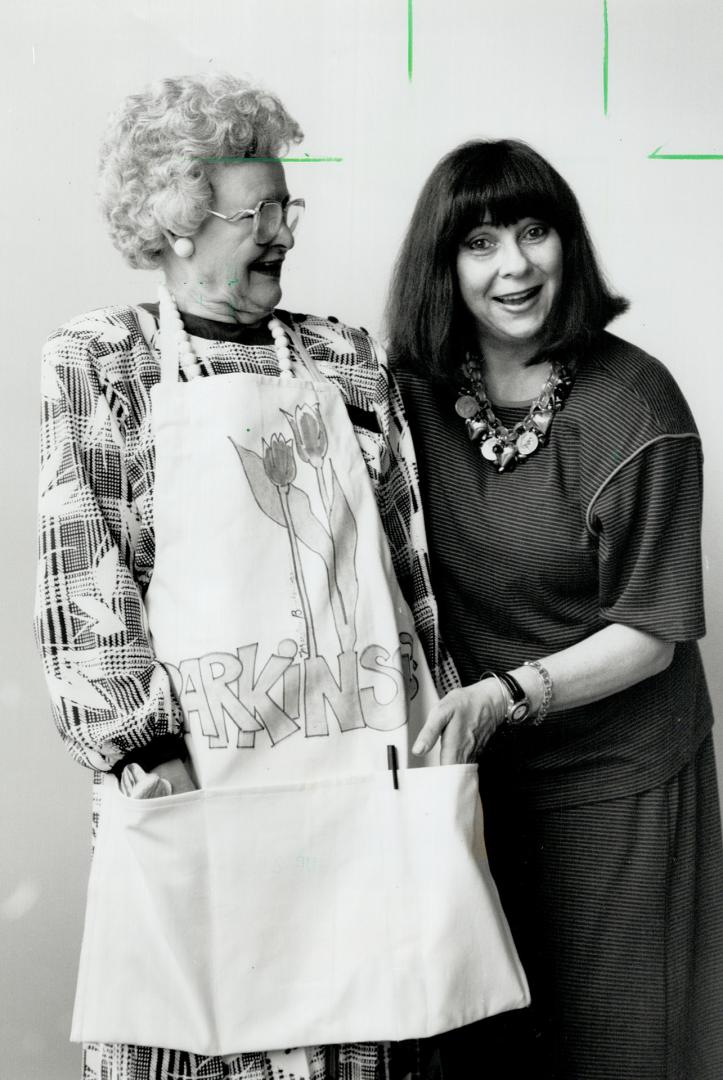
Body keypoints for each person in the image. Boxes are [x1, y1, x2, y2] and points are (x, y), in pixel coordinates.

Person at [34, 79, 528, 1080]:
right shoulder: (104, 360)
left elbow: (403, 569)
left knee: (359, 1037)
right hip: (196, 789)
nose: (282, 232)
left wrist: (429, 728)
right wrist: (145, 755)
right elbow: (81, 578)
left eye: (284, 207)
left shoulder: (343, 357)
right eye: (254, 213)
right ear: (175, 224)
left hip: (356, 794)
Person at [387, 138, 723, 1079]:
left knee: (621, 1044)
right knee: (491, 1049)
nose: (515, 265)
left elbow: (651, 634)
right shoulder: (406, 398)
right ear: (441, 266)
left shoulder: (633, 404)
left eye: (534, 232)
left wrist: (503, 695)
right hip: (477, 785)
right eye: (481, 241)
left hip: (620, 782)